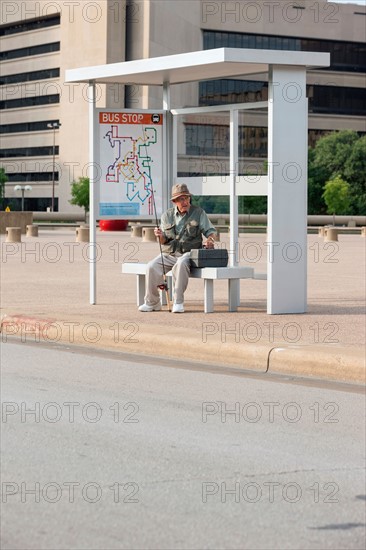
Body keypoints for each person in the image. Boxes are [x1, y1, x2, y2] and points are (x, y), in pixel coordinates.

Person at [138, 183, 217, 313]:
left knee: (180, 263)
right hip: (169, 254)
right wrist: (160, 236)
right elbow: (164, 241)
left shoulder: (199, 213)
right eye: (181, 199)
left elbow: (211, 231)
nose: (185, 201)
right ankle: (152, 303)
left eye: (187, 198)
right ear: (175, 201)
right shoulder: (166, 216)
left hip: (189, 254)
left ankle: (178, 302)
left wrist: (210, 240)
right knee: (151, 266)